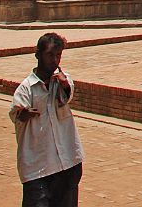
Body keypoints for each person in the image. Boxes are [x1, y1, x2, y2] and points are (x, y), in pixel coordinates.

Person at [11, 32, 84, 206]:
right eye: (50, 55)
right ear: (38, 55)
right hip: (38, 167)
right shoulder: (26, 89)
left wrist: (64, 84)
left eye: (58, 55)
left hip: (67, 161)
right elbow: (16, 114)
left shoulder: (62, 81)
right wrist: (24, 113)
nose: (55, 60)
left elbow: (67, 96)